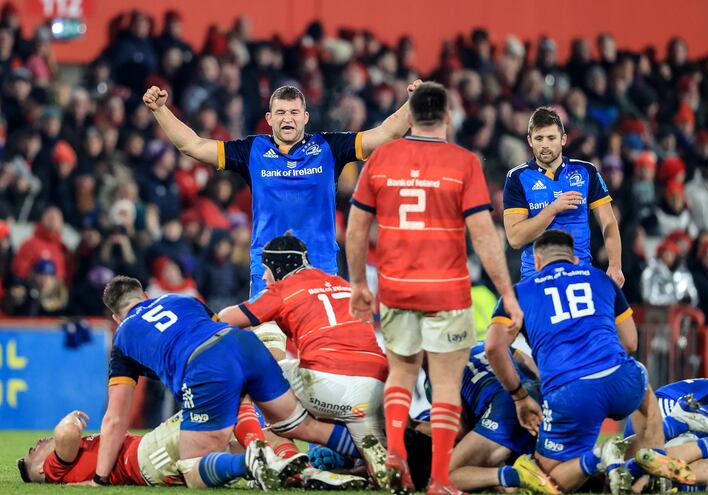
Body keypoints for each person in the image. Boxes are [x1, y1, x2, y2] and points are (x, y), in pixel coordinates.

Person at [345, 82, 521, 495]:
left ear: (408, 117)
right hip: (447, 292)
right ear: (447, 118)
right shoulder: (464, 162)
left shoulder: (382, 158)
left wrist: (357, 283)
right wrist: (507, 293)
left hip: (397, 290)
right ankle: (440, 479)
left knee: (402, 373)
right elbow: (483, 234)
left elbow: (356, 228)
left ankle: (393, 454)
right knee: (444, 385)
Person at [143, 81, 421, 296]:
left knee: (317, 354)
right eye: (281, 113)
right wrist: (160, 110)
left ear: (305, 117)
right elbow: (192, 145)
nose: (287, 118)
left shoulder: (330, 147)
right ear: (269, 118)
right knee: (271, 355)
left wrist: (412, 104)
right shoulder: (252, 150)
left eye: (293, 112)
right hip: (267, 270)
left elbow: (386, 134)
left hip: (320, 267)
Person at [95, 276, 374, 489]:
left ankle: (250, 461)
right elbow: (220, 327)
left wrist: (101, 479)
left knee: (191, 466)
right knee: (300, 424)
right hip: (244, 345)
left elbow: (116, 419)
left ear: (116, 318)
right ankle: (379, 454)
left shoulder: (123, 338)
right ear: (144, 295)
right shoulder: (181, 299)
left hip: (205, 364)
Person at [485, 229, 692, 494]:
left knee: (545, 479)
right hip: (621, 379)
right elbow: (630, 343)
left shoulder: (519, 293)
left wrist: (519, 397)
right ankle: (648, 477)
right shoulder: (601, 279)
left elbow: (493, 348)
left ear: (537, 262)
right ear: (573, 259)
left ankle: (599, 457)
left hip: (570, 392)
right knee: (645, 394)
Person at [218, 233, 390, 485]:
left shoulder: (282, 288)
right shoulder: (342, 283)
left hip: (325, 380)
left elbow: (227, 319)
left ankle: (287, 460)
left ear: (277, 267)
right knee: (382, 473)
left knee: (253, 379)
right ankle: (369, 459)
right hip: (377, 385)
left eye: (265, 270)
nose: (264, 277)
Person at [18, 409, 364, 489]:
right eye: (32, 453)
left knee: (252, 446)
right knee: (229, 406)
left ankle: (322, 474)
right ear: (38, 470)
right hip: (146, 455)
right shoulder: (55, 472)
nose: (37, 445)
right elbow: (65, 434)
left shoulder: (74, 469)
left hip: (156, 467)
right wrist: (72, 421)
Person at [501, 107, 623, 284]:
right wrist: (553, 209)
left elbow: (609, 223)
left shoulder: (586, 171)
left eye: (551, 138)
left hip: (580, 275)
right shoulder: (517, 178)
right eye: (539, 138)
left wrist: (615, 264)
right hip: (536, 279)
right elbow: (515, 238)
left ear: (563, 139)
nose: (545, 145)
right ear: (529, 140)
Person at [446, 341, 558, 494]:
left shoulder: (439, 369)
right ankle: (596, 462)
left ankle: (517, 475)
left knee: (448, 475)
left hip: (505, 407)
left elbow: (460, 429)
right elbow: (533, 368)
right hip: (539, 396)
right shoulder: (485, 343)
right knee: (560, 471)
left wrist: (414, 424)